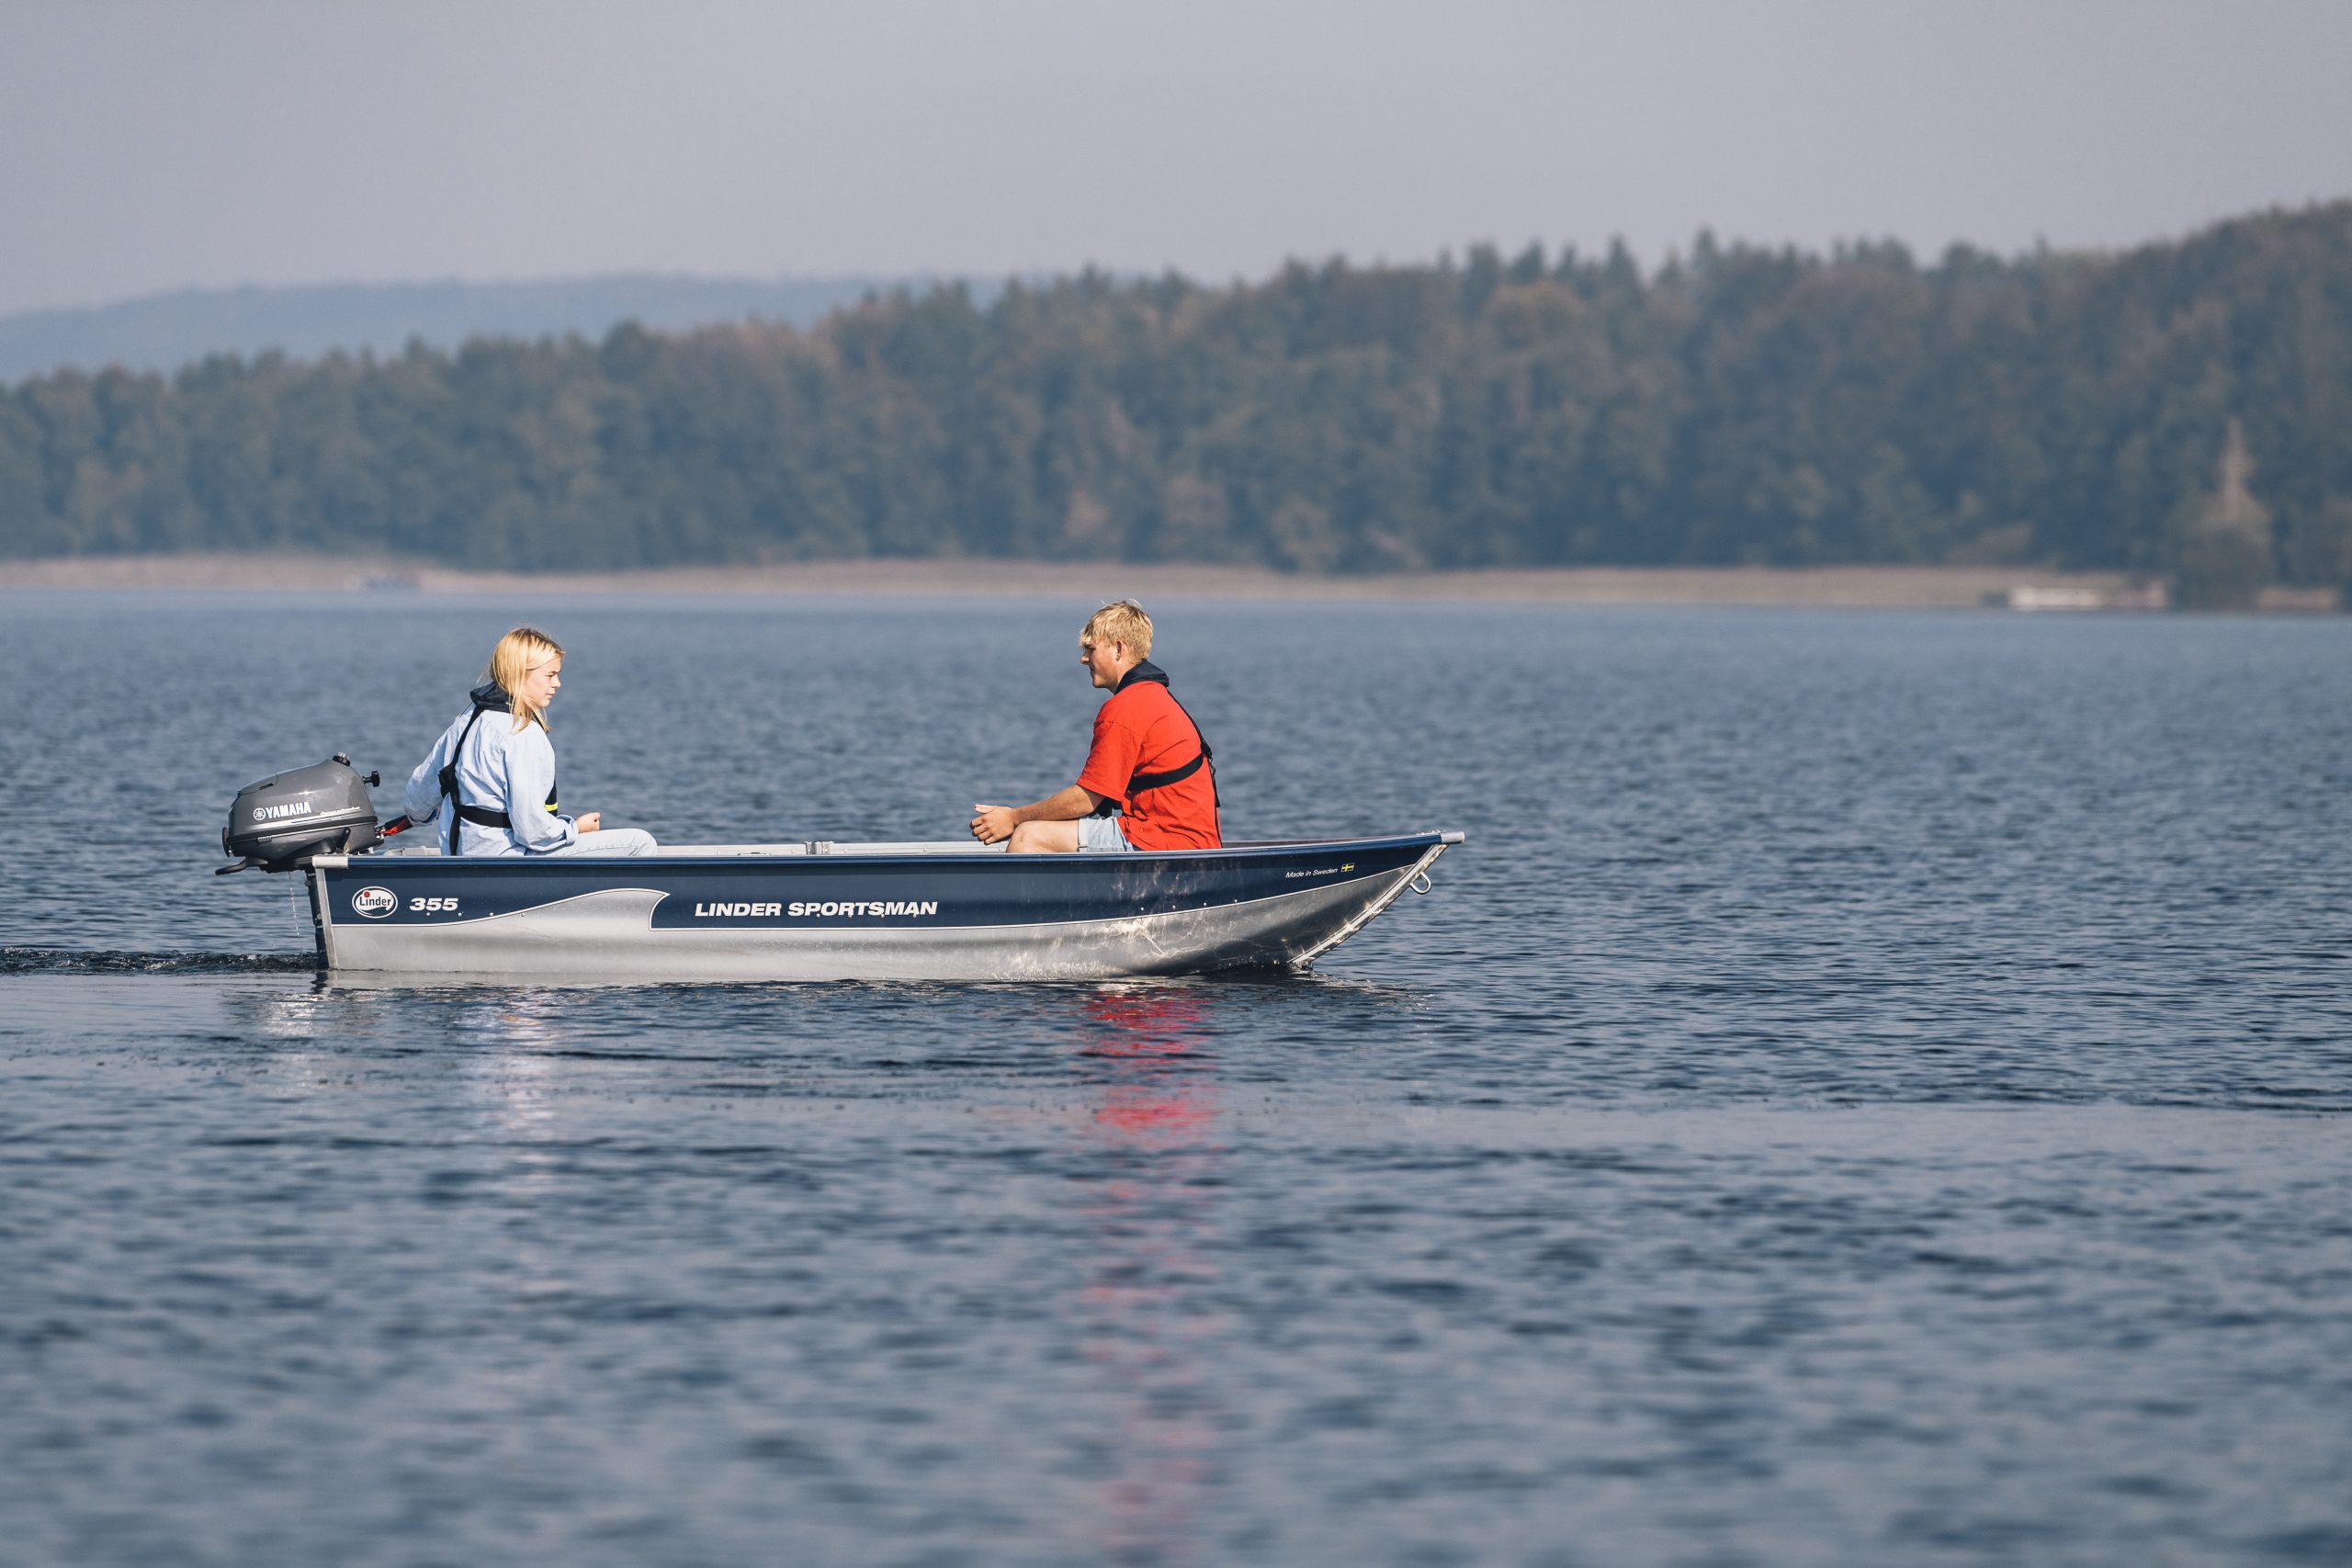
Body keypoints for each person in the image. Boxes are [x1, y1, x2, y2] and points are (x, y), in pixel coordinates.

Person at [971, 600, 1221, 853]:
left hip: (1166, 841)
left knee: (1029, 835)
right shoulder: (1151, 695)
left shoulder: (1127, 707)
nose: (1083, 658)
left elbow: (1085, 800)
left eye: (1090, 649)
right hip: (1182, 839)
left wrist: (1013, 818)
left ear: (1118, 650)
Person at [401, 626, 658, 857]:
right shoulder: (523, 733)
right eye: (550, 675)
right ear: (521, 674)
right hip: (508, 864)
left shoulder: (465, 721)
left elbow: (417, 803)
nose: (558, 683)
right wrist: (575, 828)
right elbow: (532, 832)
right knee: (640, 842)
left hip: (461, 859)